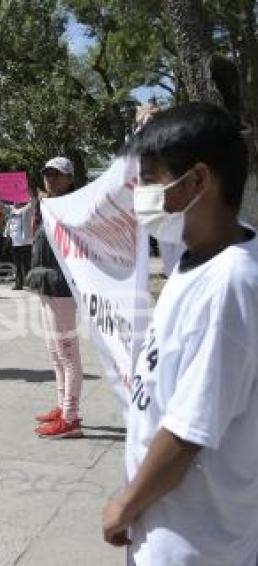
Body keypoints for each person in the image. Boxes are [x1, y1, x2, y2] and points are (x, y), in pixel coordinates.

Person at [101, 103, 258, 565]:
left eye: (151, 178)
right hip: (165, 521)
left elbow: (189, 429)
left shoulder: (233, 283)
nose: (140, 191)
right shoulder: (200, 257)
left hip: (195, 541)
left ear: (197, 181)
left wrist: (124, 505)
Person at [27, 157, 83, 439]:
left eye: (58, 175)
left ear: (70, 178)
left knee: (67, 353)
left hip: (61, 286)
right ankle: (62, 407)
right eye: (47, 174)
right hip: (45, 281)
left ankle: (71, 418)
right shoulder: (46, 205)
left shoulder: (73, 206)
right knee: (54, 350)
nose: (51, 179)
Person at [4, 195, 36, 290]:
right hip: (14, 242)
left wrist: (28, 192)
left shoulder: (27, 210)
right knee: (17, 264)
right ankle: (18, 284)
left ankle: (30, 283)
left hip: (26, 242)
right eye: (14, 200)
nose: (14, 202)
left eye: (17, 200)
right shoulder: (11, 211)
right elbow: (0, 205)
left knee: (26, 264)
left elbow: (33, 202)